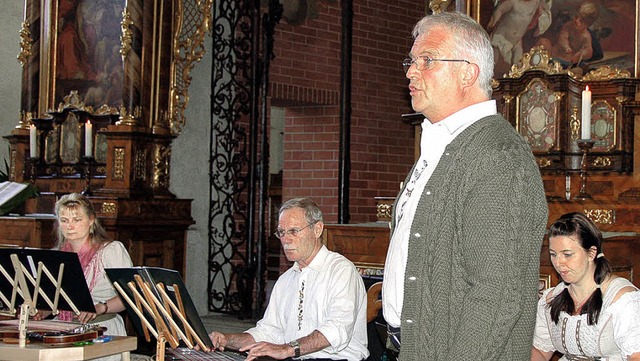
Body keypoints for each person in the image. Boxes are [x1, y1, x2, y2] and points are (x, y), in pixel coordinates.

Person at [382, 12, 548, 361]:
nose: (411, 71)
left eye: (427, 60)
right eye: (412, 61)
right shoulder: (441, 144)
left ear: (467, 73)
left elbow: (497, 294)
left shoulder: (496, 155)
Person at [207, 197, 369, 361]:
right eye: (282, 232)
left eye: (294, 231)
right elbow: (269, 331)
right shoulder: (286, 280)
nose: (286, 239)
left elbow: (337, 329)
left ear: (317, 229)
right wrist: (227, 340)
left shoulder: (341, 271)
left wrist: (286, 349)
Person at [34, 193, 133, 361]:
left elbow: (130, 296)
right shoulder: (55, 256)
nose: (70, 226)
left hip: (102, 330)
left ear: (91, 220)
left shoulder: (111, 250)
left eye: (77, 219)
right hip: (63, 330)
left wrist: (101, 307)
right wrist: (40, 312)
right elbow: (54, 301)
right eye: (64, 220)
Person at [531, 212, 640, 361]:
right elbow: (541, 353)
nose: (558, 262)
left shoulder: (621, 299)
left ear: (591, 253)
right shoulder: (552, 298)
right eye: (553, 254)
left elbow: (636, 356)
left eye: (567, 254)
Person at [487, 0, 551, 75]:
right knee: (496, 65)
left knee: (519, 66)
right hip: (501, 39)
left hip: (517, 41)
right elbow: (500, 10)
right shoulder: (512, 2)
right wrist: (493, 22)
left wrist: (542, 20)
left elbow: (545, 9)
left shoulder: (536, 3)